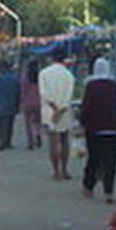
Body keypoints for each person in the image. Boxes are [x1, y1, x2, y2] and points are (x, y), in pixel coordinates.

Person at [79, 57, 116, 203]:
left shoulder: (91, 85)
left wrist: (82, 122)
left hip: (94, 129)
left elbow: (86, 106)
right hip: (111, 128)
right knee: (111, 161)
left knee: (94, 158)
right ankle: (109, 192)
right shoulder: (113, 86)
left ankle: (88, 186)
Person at [39, 49, 75, 180]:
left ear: (51, 59)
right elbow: (69, 96)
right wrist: (61, 109)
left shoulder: (44, 73)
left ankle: (56, 171)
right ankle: (65, 170)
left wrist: (55, 109)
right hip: (64, 112)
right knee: (65, 141)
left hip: (50, 111)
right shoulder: (69, 75)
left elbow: (44, 93)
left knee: (53, 142)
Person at [0, 60, 21, 150]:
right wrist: (18, 104)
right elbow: (18, 92)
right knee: (10, 124)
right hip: (12, 104)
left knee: (1, 124)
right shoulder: (15, 79)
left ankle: (3, 141)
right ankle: (8, 142)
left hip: (0, 105)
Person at [21, 59, 42, 151]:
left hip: (27, 102)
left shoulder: (25, 77)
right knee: (38, 121)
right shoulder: (40, 77)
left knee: (28, 123)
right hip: (39, 102)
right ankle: (38, 134)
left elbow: (22, 91)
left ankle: (30, 142)